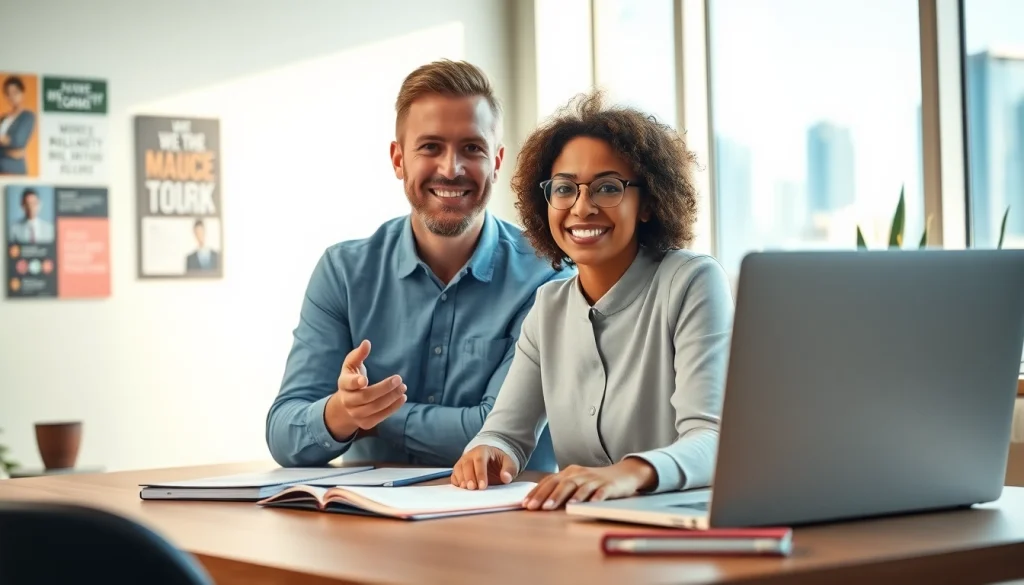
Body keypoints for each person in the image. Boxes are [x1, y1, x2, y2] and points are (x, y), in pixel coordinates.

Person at [265, 60, 571, 469]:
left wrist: (373, 418)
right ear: (398, 159)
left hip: (504, 524)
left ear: (496, 161)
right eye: (430, 147)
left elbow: (496, 433)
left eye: (472, 148)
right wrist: (343, 412)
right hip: (369, 525)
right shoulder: (343, 272)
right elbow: (283, 433)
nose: (451, 168)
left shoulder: (547, 276)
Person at [451, 90, 734, 510]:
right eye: (564, 189)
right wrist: (489, 452)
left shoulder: (692, 281)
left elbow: (713, 440)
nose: (582, 207)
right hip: (582, 535)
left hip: (680, 534)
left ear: (647, 203)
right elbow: (504, 434)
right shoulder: (548, 306)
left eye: (607, 187)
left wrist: (627, 473)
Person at [0, 76, 36, 176]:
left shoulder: (28, 116)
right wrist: (9, 148)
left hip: (14, 168)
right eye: (8, 94)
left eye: (15, 92)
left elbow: (17, 141)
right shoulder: (3, 119)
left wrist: (5, 145)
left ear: (22, 93)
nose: (12, 97)